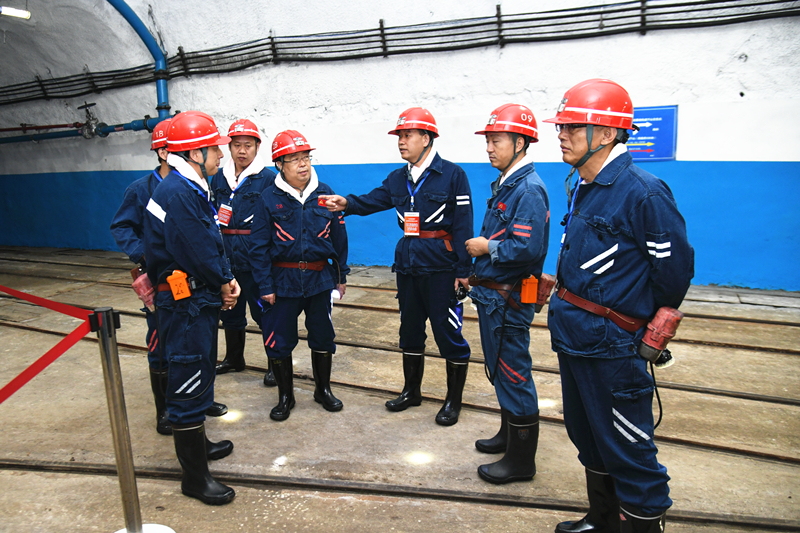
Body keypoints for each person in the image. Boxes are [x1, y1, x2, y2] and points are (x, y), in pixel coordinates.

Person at [544, 79, 694, 533]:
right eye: (561, 126)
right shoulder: (586, 185)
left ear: (607, 133)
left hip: (612, 347)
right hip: (575, 338)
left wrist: (639, 315)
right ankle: (603, 519)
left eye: (573, 126)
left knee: (628, 447)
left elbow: (674, 271)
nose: (561, 134)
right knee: (587, 435)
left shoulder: (643, 192)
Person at [321, 107, 474, 426]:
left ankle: (453, 401)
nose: (401, 142)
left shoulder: (453, 175)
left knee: (447, 331)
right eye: (399, 136)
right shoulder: (397, 178)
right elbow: (371, 200)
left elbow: (463, 225)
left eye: (407, 135)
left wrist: (464, 270)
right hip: (408, 266)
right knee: (410, 330)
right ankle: (411, 391)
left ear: (426, 138)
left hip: (441, 267)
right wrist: (347, 203)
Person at [143, 110, 240, 505]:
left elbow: (209, 240)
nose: (221, 154)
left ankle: (200, 447)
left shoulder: (188, 186)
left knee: (199, 371)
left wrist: (223, 277)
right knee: (187, 379)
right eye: (215, 148)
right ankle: (195, 479)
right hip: (185, 304)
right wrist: (224, 281)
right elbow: (197, 250)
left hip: (195, 297)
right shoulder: (182, 193)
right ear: (195, 153)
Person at [465, 104, 550, 485]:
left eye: (496, 140)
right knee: (501, 370)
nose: (489, 148)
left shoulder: (528, 190)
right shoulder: (508, 184)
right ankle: (508, 435)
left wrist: (487, 248)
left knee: (514, 373)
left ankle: (520, 461)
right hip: (494, 297)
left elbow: (527, 249)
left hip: (510, 299)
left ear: (520, 143)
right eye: (488, 141)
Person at [249, 130, 349, 421]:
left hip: (319, 280)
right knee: (279, 340)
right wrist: (264, 285)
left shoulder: (325, 192)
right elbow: (258, 247)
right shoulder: (268, 198)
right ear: (279, 164)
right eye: (294, 159)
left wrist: (340, 276)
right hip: (282, 282)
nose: (303, 164)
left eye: (306, 157)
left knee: (323, 336)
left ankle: (323, 390)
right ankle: (285, 397)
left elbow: (339, 238)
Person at [110, 118, 172, 436]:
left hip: (192, 278)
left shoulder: (197, 186)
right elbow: (121, 226)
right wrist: (144, 254)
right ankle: (165, 411)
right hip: (160, 280)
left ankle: (198, 400)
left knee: (195, 340)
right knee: (160, 343)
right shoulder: (140, 190)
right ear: (163, 152)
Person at [212, 119, 278, 387]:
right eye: (237, 145)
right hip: (227, 256)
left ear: (257, 147)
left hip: (256, 257)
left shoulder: (269, 179)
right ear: (229, 147)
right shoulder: (219, 177)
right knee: (229, 309)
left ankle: (275, 363)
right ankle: (234, 358)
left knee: (264, 312)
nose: (242, 151)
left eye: (248, 145)